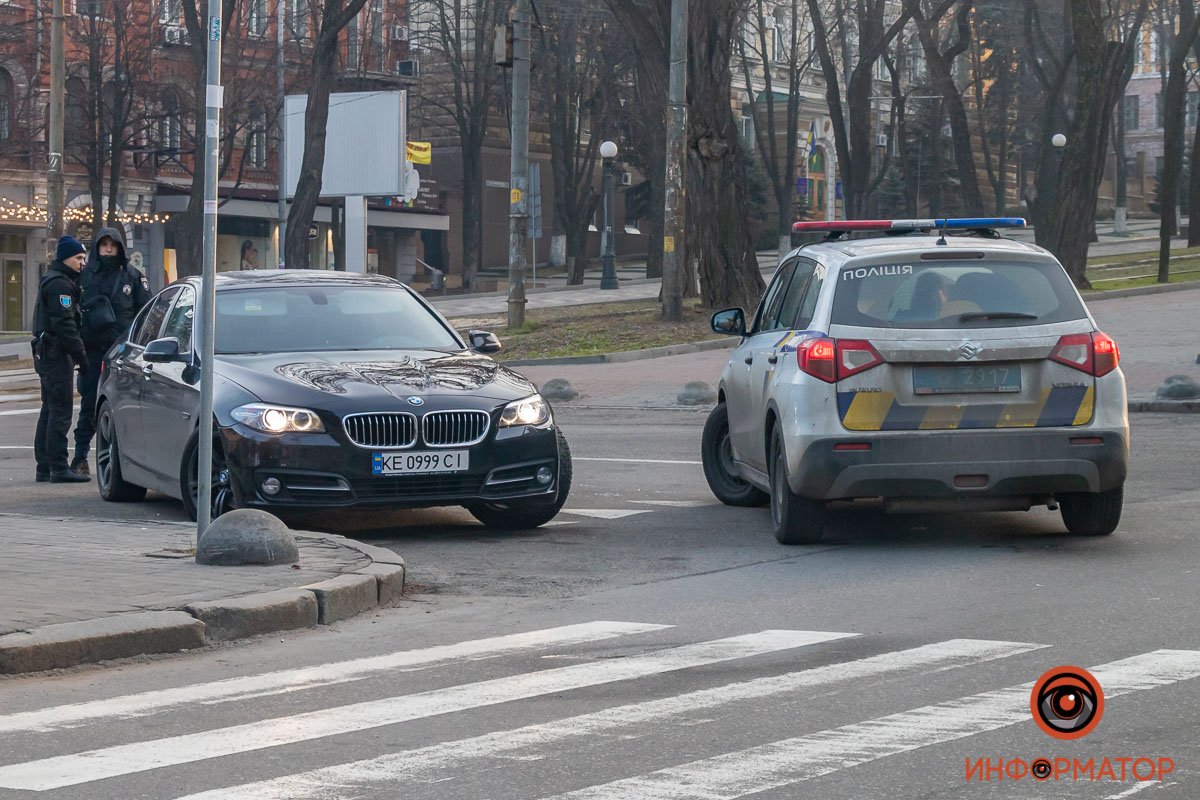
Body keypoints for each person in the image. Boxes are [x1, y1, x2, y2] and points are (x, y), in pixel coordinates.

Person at [72, 227, 151, 474]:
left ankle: (130, 461)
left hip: (123, 352)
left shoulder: (132, 277)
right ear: (97, 248)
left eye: (112, 245)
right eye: (104, 244)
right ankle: (80, 456)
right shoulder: (84, 277)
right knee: (89, 404)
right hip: (93, 350)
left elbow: (147, 312)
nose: (108, 249)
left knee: (126, 406)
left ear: (120, 248)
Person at [32, 236, 91, 483]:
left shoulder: (57, 280)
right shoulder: (60, 286)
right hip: (56, 354)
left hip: (48, 352)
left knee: (49, 408)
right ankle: (57, 466)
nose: (82, 262)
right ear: (65, 257)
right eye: (78, 258)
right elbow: (65, 325)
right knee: (60, 409)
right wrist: (82, 357)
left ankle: (45, 466)